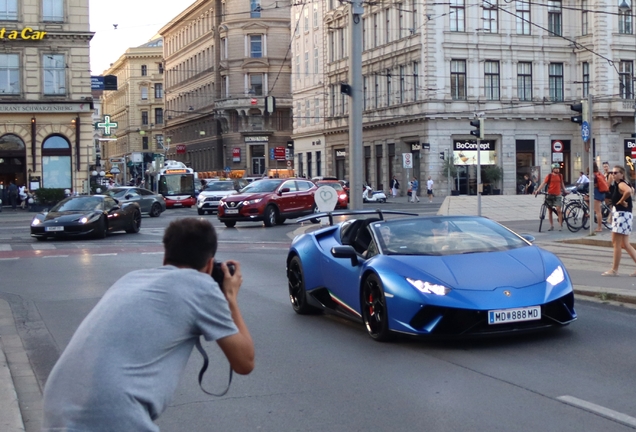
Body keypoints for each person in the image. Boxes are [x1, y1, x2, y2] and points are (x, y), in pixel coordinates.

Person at [42, 218, 255, 431]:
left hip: (58, 412)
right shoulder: (200, 286)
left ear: (165, 257)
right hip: (111, 416)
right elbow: (244, 362)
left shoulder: (131, 278)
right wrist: (229, 296)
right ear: (209, 264)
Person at [602, 166, 636, 276]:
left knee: (616, 243)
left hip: (622, 215)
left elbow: (628, 191)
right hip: (624, 215)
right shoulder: (622, 183)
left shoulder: (621, 183)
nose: (613, 174)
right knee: (625, 244)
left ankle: (614, 270)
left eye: (616, 172)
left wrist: (621, 201)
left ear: (622, 174)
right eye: (612, 172)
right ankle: (615, 269)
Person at [534, 163, 566, 231]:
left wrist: (564, 190)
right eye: (556, 168)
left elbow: (562, 183)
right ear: (553, 169)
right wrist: (538, 190)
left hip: (557, 194)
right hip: (550, 194)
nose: (557, 170)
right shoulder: (549, 176)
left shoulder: (560, 175)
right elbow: (543, 183)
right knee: (550, 211)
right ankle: (551, 226)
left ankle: (560, 225)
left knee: (558, 210)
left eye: (558, 168)